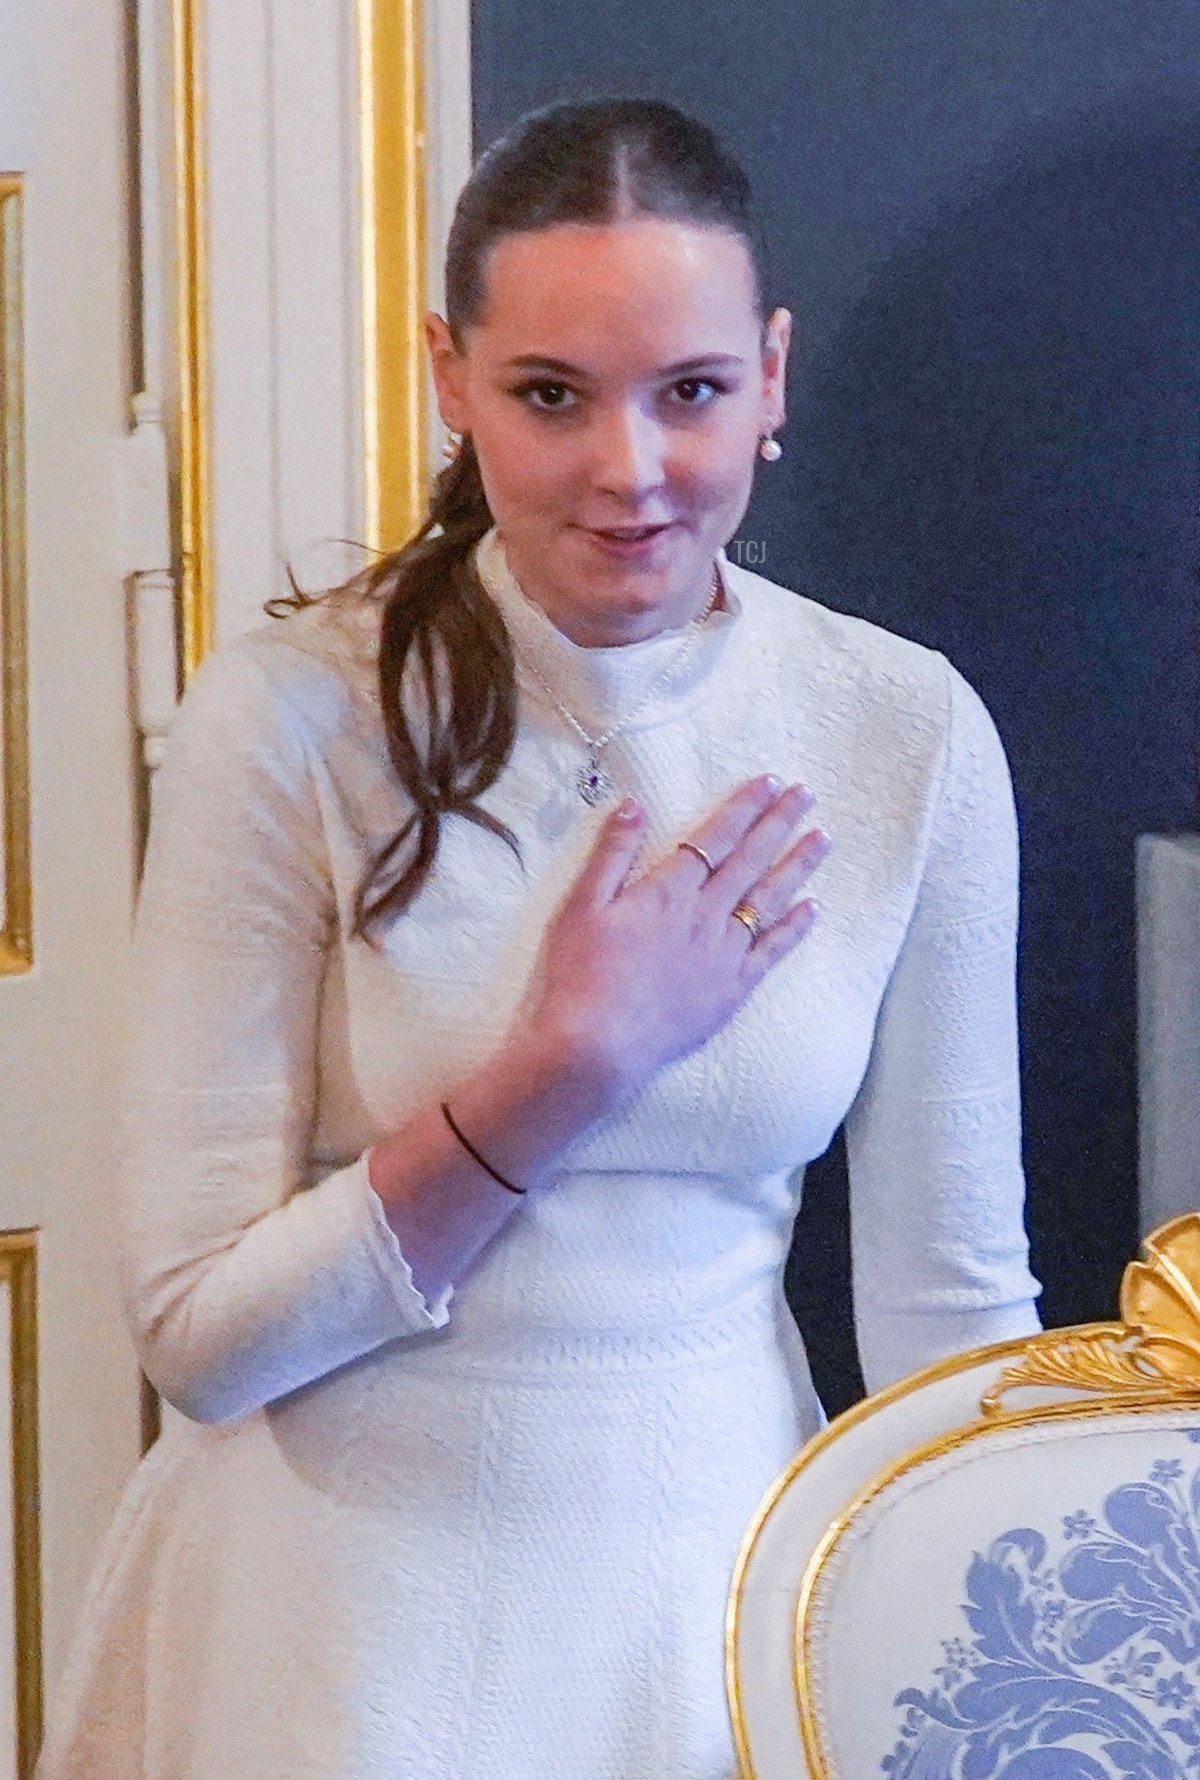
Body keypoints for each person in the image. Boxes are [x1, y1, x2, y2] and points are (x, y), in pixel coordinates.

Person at [35, 96, 1041, 1780]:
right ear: (450, 376)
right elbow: (199, 1336)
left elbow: (953, 1319)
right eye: (551, 396)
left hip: (717, 1600)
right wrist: (560, 1073)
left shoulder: (902, 731)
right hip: (331, 1629)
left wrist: (990, 1685)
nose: (629, 470)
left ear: (772, 375)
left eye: (692, 393)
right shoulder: (291, 717)